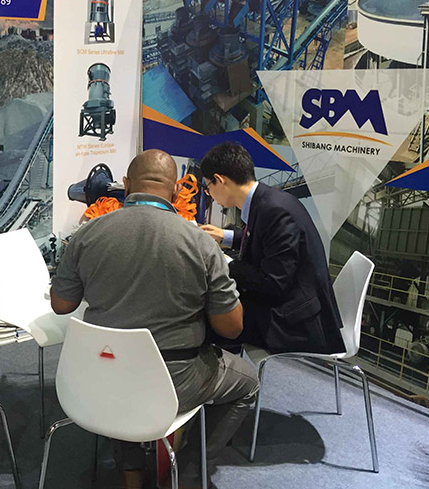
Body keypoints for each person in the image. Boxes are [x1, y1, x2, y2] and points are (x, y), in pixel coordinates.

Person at [50, 149, 259, 489]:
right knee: (248, 384)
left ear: (126, 184)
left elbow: (61, 304)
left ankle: (131, 472)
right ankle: (187, 474)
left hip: (100, 376)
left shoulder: (87, 234)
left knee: (117, 363)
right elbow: (231, 327)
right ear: (176, 191)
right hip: (176, 380)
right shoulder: (200, 244)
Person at [198, 142, 345, 355]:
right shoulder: (268, 200)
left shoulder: (274, 211)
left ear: (220, 180)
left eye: (208, 187)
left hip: (295, 322)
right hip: (293, 303)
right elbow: (266, 240)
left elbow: (273, 282)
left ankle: (221, 374)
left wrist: (222, 261)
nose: (210, 194)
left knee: (211, 318)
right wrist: (224, 236)